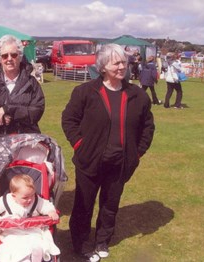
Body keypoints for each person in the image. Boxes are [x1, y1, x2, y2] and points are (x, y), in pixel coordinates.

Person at [61, 43, 155, 262]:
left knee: (110, 205)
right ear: (103, 66)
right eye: (116, 62)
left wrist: (137, 153)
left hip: (120, 162)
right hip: (89, 160)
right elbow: (69, 120)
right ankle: (82, 243)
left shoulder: (138, 95)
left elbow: (147, 127)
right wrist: (79, 145)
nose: (122, 66)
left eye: (124, 62)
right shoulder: (85, 92)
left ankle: (103, 240)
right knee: (83, 205)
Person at [0, 34, 45, 137]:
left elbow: (36, 112)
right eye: (4, 56)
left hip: (24, 143)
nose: (9, 58)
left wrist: (9, 110)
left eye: (14, 55)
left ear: (20, 56)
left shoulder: (31, 82)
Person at [0, 174, 60, 262]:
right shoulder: (6, 201)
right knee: (14, 246)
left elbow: (45, 205)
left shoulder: (36, 200)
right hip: (11, 232)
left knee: (37, 241)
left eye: (32, 195)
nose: (30, 199)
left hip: (32, 230)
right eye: (25, 198)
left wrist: (51, 211)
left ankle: (35, 256)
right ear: (14, 196)